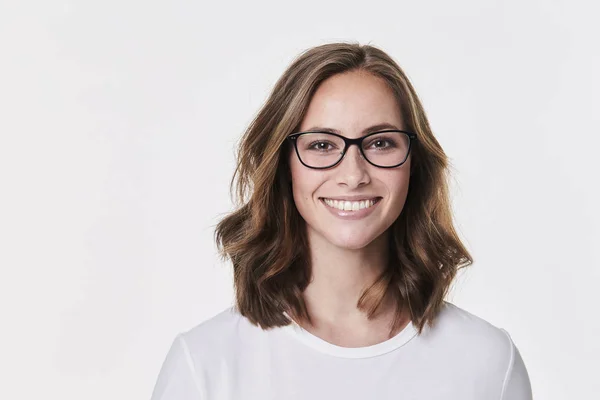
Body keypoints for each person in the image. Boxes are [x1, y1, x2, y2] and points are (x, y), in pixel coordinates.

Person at [149, 42, 533, 399]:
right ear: (284, 166)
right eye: (321, 145)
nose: (353, 175)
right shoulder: (203, 365)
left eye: (381, 142)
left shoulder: (487, 362)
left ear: (415, 164)